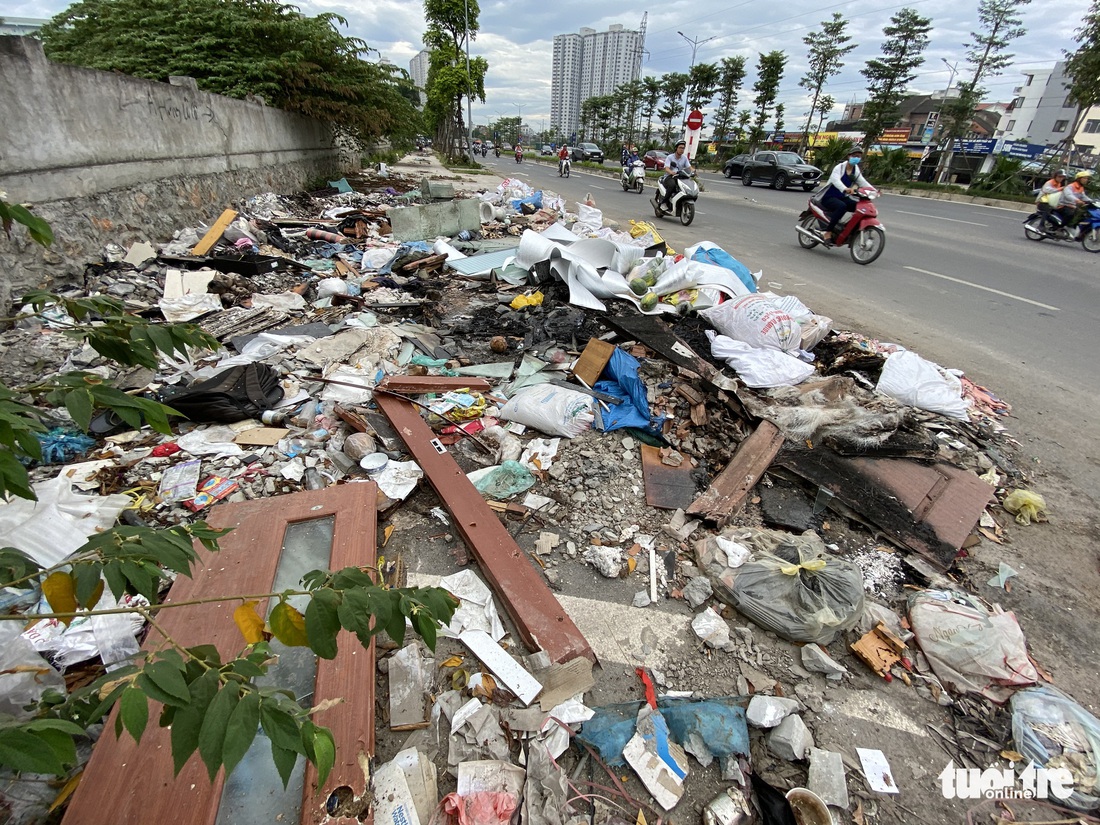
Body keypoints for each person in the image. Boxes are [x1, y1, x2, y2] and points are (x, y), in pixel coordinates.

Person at [820, 145, 872, 244]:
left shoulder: (855, 170)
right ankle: (828, 232)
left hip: (842, 197)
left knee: (858, 207)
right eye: (855, 155)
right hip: (828, 196)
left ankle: (846, 229)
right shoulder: (839, 168)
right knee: (842, 206)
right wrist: (845, 189)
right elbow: (835, 180)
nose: (857, 158)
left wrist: (874, 190)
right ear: (849, 156)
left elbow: (862, 182)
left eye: (859, 156)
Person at [1057, 170, 1094, 236]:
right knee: (1070, 213)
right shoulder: (1070, 186)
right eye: (1084, 178)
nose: (1086, 180)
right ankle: (1061, 228)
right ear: (1079, 179)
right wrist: (1077, 200)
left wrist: (1092, 201)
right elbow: (1068, 195)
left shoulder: (1081, 187)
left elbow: (1083, 196)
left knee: (1084, 214)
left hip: (1072, 205)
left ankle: (1072, 226)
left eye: (1087, 178)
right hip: (1063, 205)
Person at [660, 141, 693, 209]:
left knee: (687, 187)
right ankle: (664, 203)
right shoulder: (670, 157)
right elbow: (666, 168)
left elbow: (689, 167)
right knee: (672, 186)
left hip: (680, 177)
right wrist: (671, 172)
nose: (682, 150)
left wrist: (694, 171)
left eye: (683, 148)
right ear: (676, 148)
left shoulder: (684, 158)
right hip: (669, 177)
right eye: (680, 148)